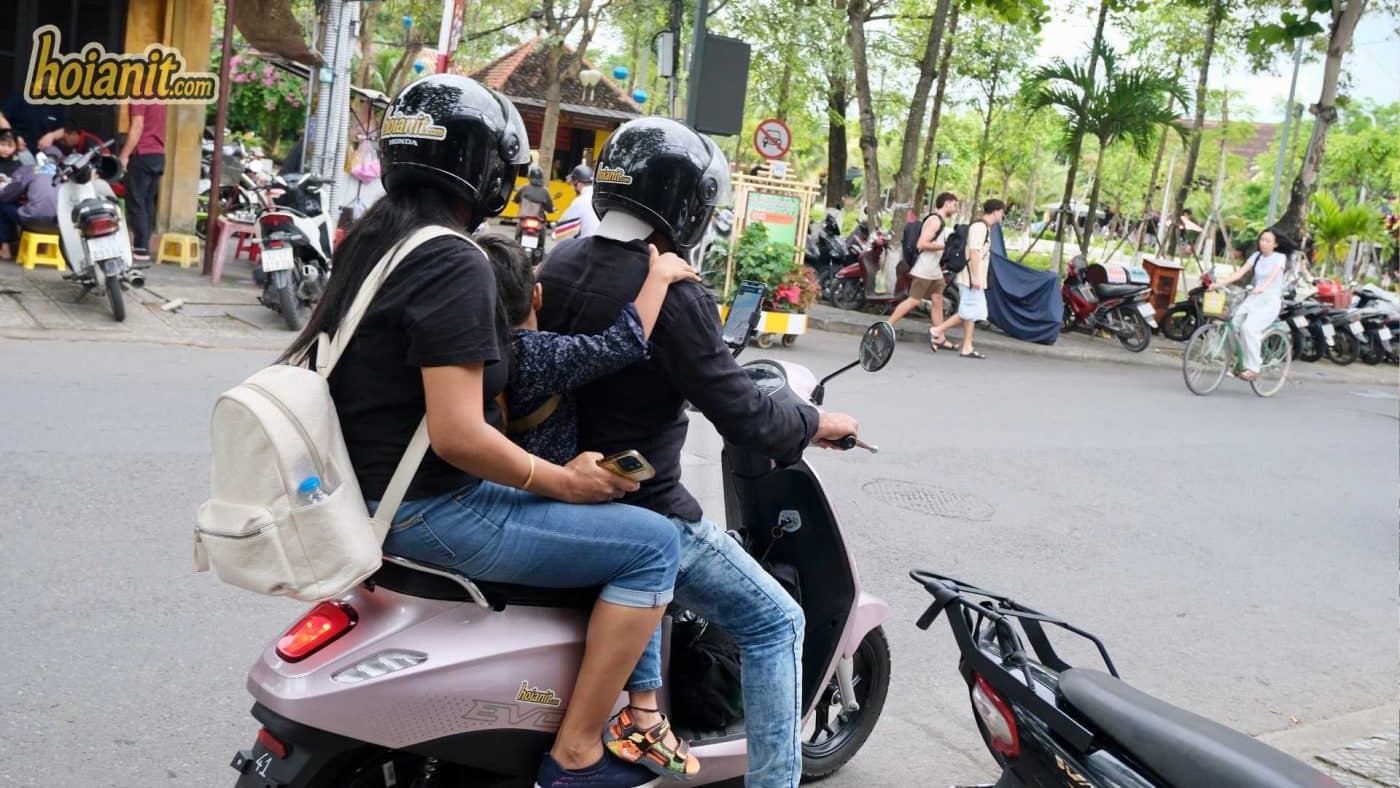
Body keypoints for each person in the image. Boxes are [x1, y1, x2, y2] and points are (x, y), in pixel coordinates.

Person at [277, 75, 680, 788]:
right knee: (654, 545)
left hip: (363, 499)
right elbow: (458, 434)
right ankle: (581, 748)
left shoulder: (373, 242)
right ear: (487, 167)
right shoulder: (455, 260)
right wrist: (564, 481)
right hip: (431, 512)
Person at [536, 117, 862, 788]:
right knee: (778, 622)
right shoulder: (674, 290)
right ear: (691, 206)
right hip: (643, 503)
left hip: (557, 488)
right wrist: (818, 420)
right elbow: (746, 416)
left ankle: (646, 715)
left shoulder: (560, 262)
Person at [483, 233, 704, 780]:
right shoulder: (533, 353)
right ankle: (643, 713)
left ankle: (642, 709)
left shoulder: (484, 353)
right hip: (536, 502)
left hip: (513, 492)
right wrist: (660, 276)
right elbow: (624, 343)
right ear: (537, 296)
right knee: (648, 543)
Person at [931, 198, 1005, 360]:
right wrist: (976, 278)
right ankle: (937, 331)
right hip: (971, 278)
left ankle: (967, 346)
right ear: (996, 211)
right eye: (1002, 212)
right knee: (968, 312)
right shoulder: (979, 227)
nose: (1002, 215)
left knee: (972, 313)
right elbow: (974, 252)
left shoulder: (985, 227)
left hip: (973, 278)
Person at [1210, 229, 1287, 382]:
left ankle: (1254, 367)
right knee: (1234, 325)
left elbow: (1272, 277)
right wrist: (1219, 284)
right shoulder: (1256, 256)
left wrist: (1262, 287)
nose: (1263, 243)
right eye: (1262, 240)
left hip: (1269, 301)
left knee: (1249, 328)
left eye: (1268, 241)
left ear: (1276, 244)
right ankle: (1240, 360)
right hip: (1253, 299)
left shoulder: (1280, 258)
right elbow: (1239, 273)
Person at [888, 192, 959, 350]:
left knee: (937, 301)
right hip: (925, 269)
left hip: (934, 270)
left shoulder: (939, 221)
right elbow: (922, 244)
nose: (956, 208)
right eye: (954, 205)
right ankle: (886, 326)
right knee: (914, 300)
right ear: (947, 203)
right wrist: (945, 246)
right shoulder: (935, 220)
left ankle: (939, 337)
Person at [117, 102, 166, 263]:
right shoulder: (159, 97)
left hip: (143, 153)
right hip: (158, 155)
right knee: (148, 202)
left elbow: (137, 126)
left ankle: (140, 248)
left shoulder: (140, 95)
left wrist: (124, 155)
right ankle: (143, 247)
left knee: (136, 201)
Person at [0, 151, 61, 262]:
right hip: (59, 225)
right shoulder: (64, 174)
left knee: (3, 205)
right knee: (38, 209)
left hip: (33, 221)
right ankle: (42, 249)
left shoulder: (32, 170)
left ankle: (5, 249)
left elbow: (9, 194)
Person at [555, 164, 600, 240]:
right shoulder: (599, 197)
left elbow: (561, 233)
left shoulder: (580, 201)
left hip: (587, 248)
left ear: (576, 182)